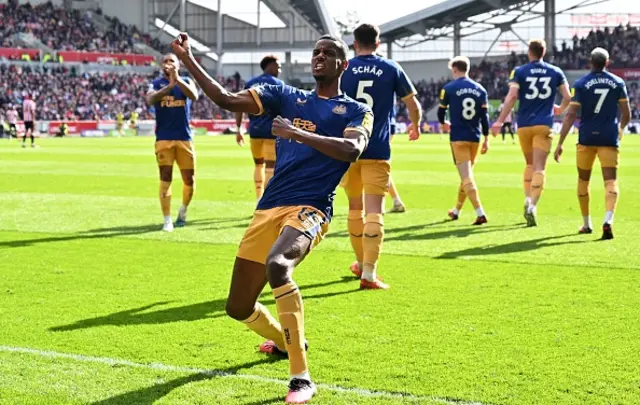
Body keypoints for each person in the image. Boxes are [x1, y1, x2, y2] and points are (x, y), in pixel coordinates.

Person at [171, 32, 373, 404]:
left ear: (342, 64)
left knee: (278, 266)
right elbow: (224, 98)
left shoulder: (356, 109)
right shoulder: (286, 96)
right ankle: (283, 340)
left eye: (329, 53)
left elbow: (351, 149)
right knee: (237, 307)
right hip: (269, 206)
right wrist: (187, 59)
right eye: (316, 52)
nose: (320, 57)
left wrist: (295, 132)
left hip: (311, 206)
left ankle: (301, 377)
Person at [340, 23, 422, 289]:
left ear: (354, 44)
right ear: (378, 44)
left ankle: (359, 262)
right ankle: (369, 274)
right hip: (377, 148)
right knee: (375, 211)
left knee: (354, 208)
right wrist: (416, 125)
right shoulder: (391, 67)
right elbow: (412, 103)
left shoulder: (344, 68)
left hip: (347, 148)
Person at [493, 39, 572, 226]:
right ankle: (532, 206)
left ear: (530, 52)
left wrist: (499, 120)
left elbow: (512, 96)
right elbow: (568, 97)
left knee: (529, 164)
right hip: (543, 124)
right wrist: (560, 108)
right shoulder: (556, 72)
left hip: (524, 125)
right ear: (543, 52)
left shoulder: (519, 71)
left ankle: (527, 199)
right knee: (539, 168)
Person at [554, 47, 631, 240]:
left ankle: (587, 224)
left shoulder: (581, 83)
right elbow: (627, 113)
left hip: (586, 138)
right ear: (608, 62)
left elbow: (571, 114)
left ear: (590, 62)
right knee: (610, 181)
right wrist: (621, 128)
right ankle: (608, 220)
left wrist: (560, 142)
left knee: (583, 180)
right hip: (608, 138)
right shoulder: (617, 82)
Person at [146, 53, 199, 232]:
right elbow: (150, 99)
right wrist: (169, 86)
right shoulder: (156, 84)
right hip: (163, 139)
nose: (168, 64)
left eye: (172, 61)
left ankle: (183, 210)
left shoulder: (186, 81)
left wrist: (176, 80)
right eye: (165, 61)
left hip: (184, 138)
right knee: (166, 177)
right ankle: (167, 219)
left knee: (189, 180)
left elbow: (194, 96)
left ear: (178, 65)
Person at [439, 56, 490, 225]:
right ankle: (456, 210)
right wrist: (487, 138)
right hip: (475, 137)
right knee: (466, 177)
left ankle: (480, 212)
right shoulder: (480, 89)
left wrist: (443, 123)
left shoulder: (449, 88)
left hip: (458, 137)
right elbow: (484, 118)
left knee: (466, 177)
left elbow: (441, 112)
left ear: (455, 69)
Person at [235, 55, 285, 199]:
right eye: (279, 66)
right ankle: (267, 200)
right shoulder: (278, 84)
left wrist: (238, 129)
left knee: (258, 165)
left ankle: (258, 198)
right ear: (270, 65)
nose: (280, 70)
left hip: (254, 132)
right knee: (270, 166)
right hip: (272, 132)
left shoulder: (250, 84)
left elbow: (238, 105)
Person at [386, 102, 407, 213]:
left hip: (379, 125)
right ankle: (396, 201)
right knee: (377, 165)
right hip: (389, 124)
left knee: (376, 166)